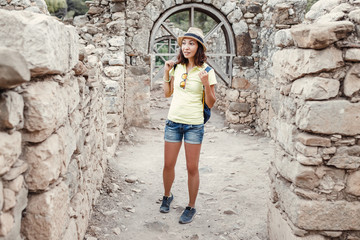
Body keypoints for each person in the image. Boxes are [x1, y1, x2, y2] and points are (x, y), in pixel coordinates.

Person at [160, 27, 217, 224]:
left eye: (191, 43)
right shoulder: (176, 67)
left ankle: (191, 206)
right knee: (168, 164)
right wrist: (166, 73)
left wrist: (204, 84)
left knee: (192, 167)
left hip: (194, 125)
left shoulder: (207, 71)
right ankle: (167, 196)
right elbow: (167, 93)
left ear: (198, 47)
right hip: (173, 122)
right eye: (184, 43)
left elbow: (210, 103)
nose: (186, 47)